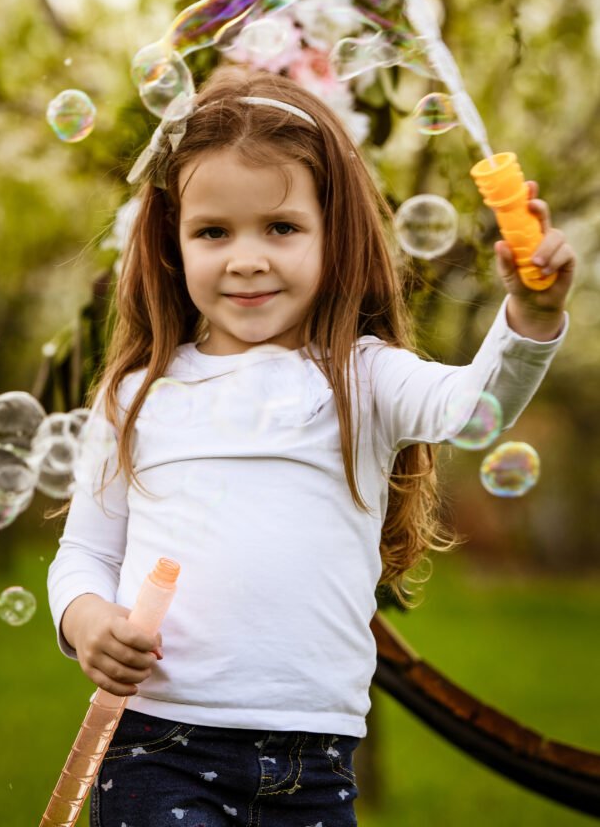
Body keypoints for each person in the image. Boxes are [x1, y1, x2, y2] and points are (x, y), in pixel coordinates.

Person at [48, 65, 576, 827]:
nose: (247, 258)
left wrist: (526, 315)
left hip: (316, 762)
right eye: (212, 232)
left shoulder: (363, 379)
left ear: (336, 236)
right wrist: (87, 621)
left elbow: (473, 412)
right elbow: (84, 555)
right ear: (173, 243)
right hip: (158, 747)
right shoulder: (136, 395)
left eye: (282, 228)